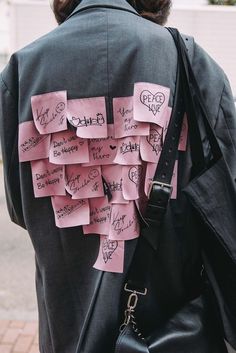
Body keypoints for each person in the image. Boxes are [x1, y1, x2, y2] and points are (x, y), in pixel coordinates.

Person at [0, 0, 236, 352]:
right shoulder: (192, 65)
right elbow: (225, 206)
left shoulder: (21, 71)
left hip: (68, 332)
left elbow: (21, 211)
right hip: (173, 332)